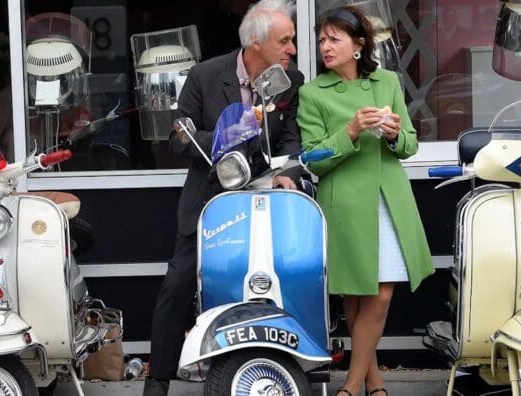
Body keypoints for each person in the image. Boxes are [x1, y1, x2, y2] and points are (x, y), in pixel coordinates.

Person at [143, 1, 304, 394]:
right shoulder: (205, 75)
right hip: (209, 202)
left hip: (267, 201)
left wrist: (288, 172)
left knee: (289, 274)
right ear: (254, 41)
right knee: (179, 283)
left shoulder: (290, 81)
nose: (293, 49)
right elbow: (178, 137)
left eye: (293, 40)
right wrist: (229, 135)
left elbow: (291, 138)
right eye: (285, 40)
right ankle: (157, 379)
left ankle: (286, 365)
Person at [296, 6, 434, 396]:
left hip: (388, 200)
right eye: (321, 39)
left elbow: (409, 144)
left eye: (334, 39)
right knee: (356, 297)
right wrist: (351, 131)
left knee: (381, 292)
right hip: (345, 205)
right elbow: (311, 158)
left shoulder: (387, 81)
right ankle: (374, 384)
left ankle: (351, 387)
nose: (325, 46)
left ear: (358, 45)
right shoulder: (312, 93)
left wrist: (393, 134)